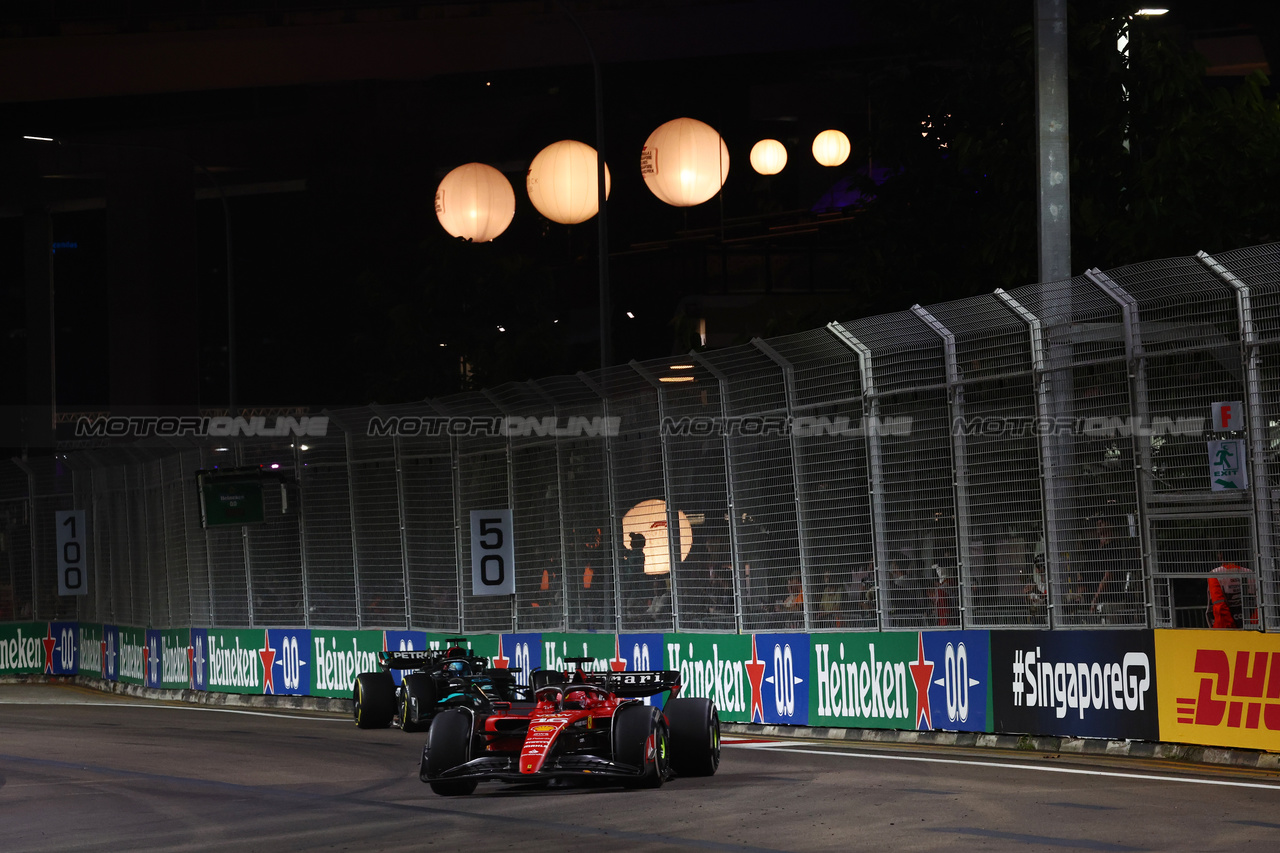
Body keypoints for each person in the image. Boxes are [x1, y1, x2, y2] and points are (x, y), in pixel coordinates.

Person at [1206, 542, 1257, 629]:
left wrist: (1230, 625)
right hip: (1250, 622)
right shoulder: (1249, 572)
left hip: (1225, 625)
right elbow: (1256, 601)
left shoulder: (1215, 574)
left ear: (1220, 555)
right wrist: (1253, 622)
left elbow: (1218, 603)